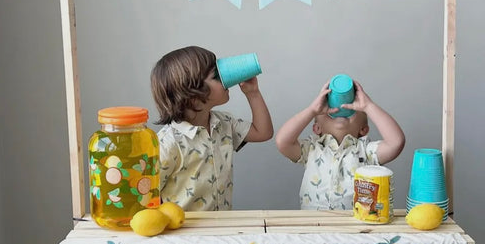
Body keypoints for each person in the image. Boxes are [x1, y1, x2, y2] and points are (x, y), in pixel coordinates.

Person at [150, 46, 273, 211]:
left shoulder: (224, 123)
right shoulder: (168, 143)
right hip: (184, 231)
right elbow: (147, 193)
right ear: (192, 95)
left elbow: (263, 132)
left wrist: (253, 93)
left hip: (221, 226)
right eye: (216, 75)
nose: (224, 78)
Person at [275, 80, 405, 210]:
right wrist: (312, 110)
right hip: (314, 223)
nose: (341, 109)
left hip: (354, 226)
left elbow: (396, 143)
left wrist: (368, 106)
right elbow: (283, 141)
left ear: (363, 129)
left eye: (352, 108)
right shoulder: (312, 149)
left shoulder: (365, 151)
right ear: (317, 128)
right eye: (330, 110)